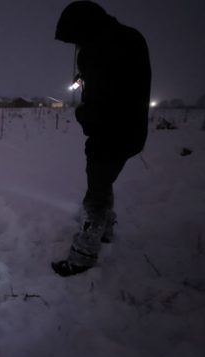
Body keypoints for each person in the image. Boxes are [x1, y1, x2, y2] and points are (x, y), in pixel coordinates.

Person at [52, 1, 151, 276]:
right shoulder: (130, 37)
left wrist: (84, 115)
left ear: (83, 28)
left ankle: (83, 255)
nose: (76, 46)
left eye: (75, 39)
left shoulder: (98, 49)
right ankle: (105, 230)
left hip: (109, 132)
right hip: (132, 131)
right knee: (103, 180)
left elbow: (101, 99)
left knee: (95, 191)